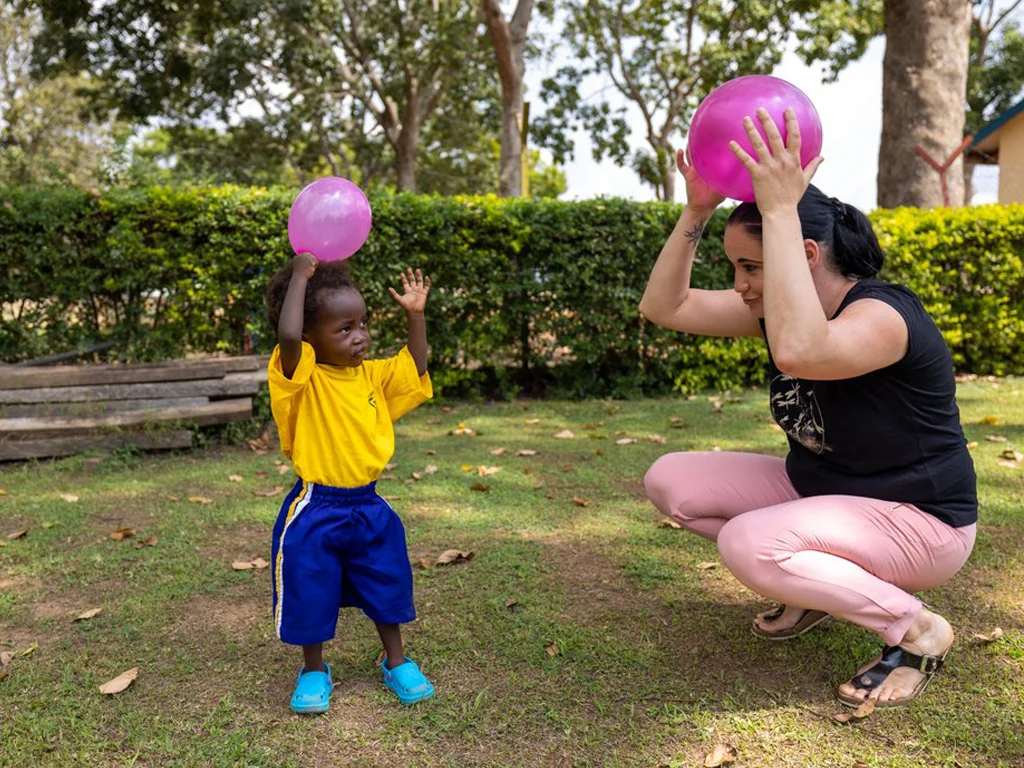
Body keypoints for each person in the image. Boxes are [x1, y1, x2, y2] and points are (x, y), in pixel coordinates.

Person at [640, 108, 977, 708]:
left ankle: (916, 630)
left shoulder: (883, 315)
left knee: (747, 544)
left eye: (752, 267)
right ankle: (814, 588)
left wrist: (776, 207)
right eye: (736, 269)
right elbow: (666, 307)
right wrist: (696, 211)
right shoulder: (771, 310)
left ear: (808, 254)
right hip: (823, 493)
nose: (741, 284)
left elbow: (802, 352)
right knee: (671, 482)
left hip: (920, 521)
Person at [265, 256, 435, 713]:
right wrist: (301, 276)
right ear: (310, 337)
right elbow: (286, 337)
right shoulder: (299, 378)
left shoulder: (372, 376)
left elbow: (415, 367)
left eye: (361, 324)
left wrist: (415, 317)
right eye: (344, 328)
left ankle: (396, 660)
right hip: (315, 507)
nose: (359, 335)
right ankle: (314, 669)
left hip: (370, 505)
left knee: (387, 583)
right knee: (310, 587)